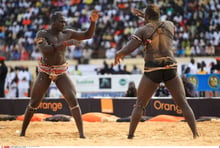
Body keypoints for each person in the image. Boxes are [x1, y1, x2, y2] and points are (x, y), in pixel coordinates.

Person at [114, 4, 199, 139]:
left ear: (146, 17)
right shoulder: (170, 25)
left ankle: (130, 135)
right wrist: (147, 16)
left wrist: (119, 53)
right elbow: (158, 26)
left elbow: (129, 48)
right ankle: (195, 134)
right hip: (170, 67)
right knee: (183, 103)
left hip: (153, 68)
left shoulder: (142, 30)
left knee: (140, 105)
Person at [20, 10, 99, 138]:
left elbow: (87, 35)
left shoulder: (67, 33)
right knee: (34, 102)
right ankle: (23, 131)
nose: (64, 23)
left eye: (64, 21)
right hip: (45, 71)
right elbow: (45, 50)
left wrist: (93, 23)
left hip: (61, 71)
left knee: (72, 99)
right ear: (53, 22)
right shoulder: (42, 33)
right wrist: (65, 44)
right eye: (61, 21)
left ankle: (81, 134)